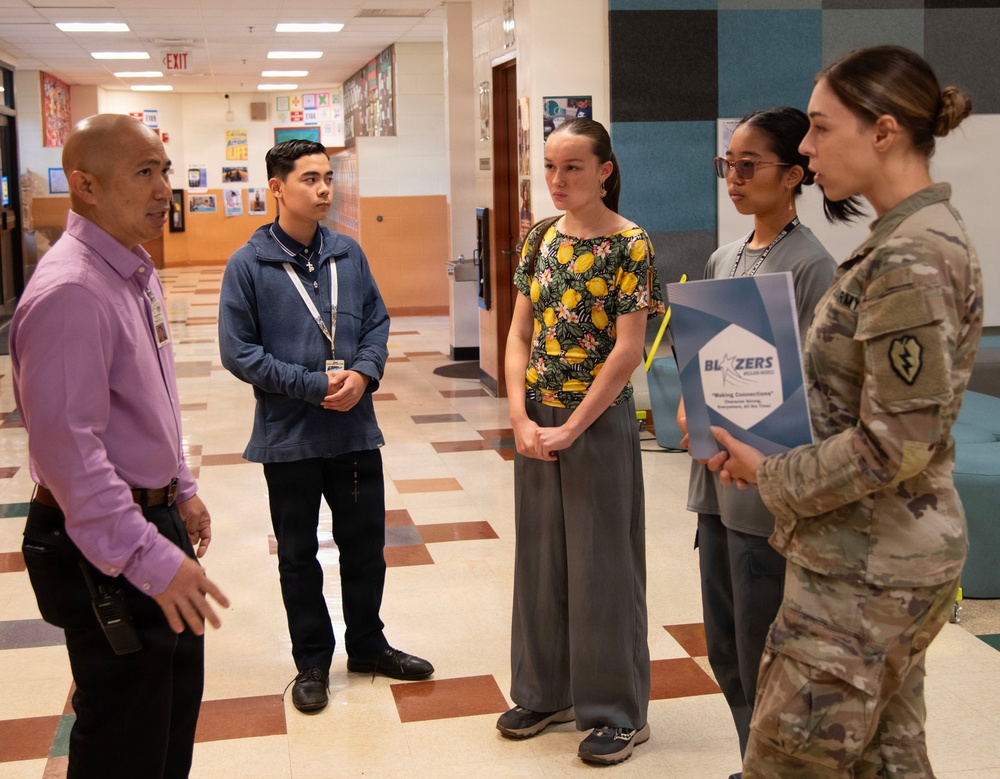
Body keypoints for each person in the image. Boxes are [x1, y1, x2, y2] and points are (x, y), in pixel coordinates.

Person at [707, 46, 982, 777]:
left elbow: (896, 446)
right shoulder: (902, 240)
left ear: (883, 131)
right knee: (886, 760)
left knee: (787, 760)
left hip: (868, 567)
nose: (805, 146)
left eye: (822, 128)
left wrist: (771, 470)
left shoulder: (910, 258)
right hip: (871, 553)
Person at [11, 113, 230, 779]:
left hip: (147, 513)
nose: (165, 187)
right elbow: (71, 454)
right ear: (85, 185)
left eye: (164, 170)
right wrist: (150, 557)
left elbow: (150, 398)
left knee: (167, 719)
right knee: (125, 741)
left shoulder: (130, 268)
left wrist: (181, 494)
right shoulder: (72, 290)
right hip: (101, 536)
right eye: (145, 172)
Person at [218, 139, 433, 715]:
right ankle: (311, 660)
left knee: (365, 547)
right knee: (298, 554)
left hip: (355, 432)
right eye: (310, 178)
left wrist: (364, 374)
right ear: (278, 188)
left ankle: (367, 645)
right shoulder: (249, 265)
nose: (323, 189)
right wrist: (313, 385)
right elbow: (239, 354)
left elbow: (378, 323)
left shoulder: (347, 254)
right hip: (289, 438)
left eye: (328, 178)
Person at [679, 106, 861, 779]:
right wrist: (686, 399)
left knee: (767, 653)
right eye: (727, 163)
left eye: (748, 164)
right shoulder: (724, 257)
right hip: (714, 487)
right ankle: (750, 762)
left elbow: (820, 393)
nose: (733, 175)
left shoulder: (812, 266)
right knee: (726, 650)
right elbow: (706, 359)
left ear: (793, 174)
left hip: (765, 494)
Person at [497, 118, 664, 765]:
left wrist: (573, 424)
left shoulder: (631, 245)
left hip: (596, 421)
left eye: (572, 167)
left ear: (605, 170)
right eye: (550, 167)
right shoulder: (539, 238)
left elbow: (626, 352)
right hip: (536, 418)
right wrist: (519, 415)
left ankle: (618, 711)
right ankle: (545, 693)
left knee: (604, 567)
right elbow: (519, 335)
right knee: (540, 562)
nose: (558, 180)